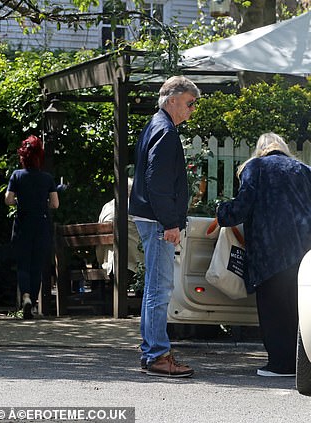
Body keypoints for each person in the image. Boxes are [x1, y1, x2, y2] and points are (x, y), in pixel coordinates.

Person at [216, 132, 311, 377]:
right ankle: (304, 363)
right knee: (300, 307)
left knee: (273, 309)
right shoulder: (301, 169)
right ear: (283, 148)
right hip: (306, 249)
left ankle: (280, 364)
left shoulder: (255, 167)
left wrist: (222, 212)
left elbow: (243, 205)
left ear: (260, 149)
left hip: (269, 249)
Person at [129, 75, 200, 378]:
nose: (191, 109)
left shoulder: (156, 125)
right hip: (158, 219)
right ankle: (157, 355)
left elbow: (152, 180)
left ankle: (153, 353)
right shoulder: (165, 130)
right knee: (160, 289)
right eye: (189, 102)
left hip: (150, 215)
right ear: (172, 99)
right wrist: (171, 222)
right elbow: (157, 183)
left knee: (153, 289)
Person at [4, 135, 59, 319]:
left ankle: (26, 296)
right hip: (41, 224)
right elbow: (55, 204)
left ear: (22, 155)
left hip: (22, 223)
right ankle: (33, 303)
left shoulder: (16, 176)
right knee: (36, 266)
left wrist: (20, 200)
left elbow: (8, 199)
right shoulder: (47, 178)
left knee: (23, 265)